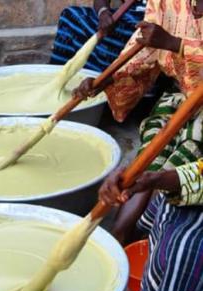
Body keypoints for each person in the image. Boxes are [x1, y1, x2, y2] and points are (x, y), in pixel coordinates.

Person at [73, 0, 203, 245]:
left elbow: (166, 42)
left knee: (182, 155)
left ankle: (146, 230)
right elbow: (143, 47)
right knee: (150, 150)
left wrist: (175, 44)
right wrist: (106, 80)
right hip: (182, 95)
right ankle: (120, 233)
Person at [98, 158, 203, 291]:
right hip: (186, 187)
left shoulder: (186, 250)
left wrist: (156, 179)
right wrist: (151, 178)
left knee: (184, 251)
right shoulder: (169, 200)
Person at [50, 0, 147, 72]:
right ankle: (57, 75)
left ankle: (101, 84)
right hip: (125, 15)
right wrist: (103, 12)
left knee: (114, 38)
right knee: (70, 16)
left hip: (150, 23)